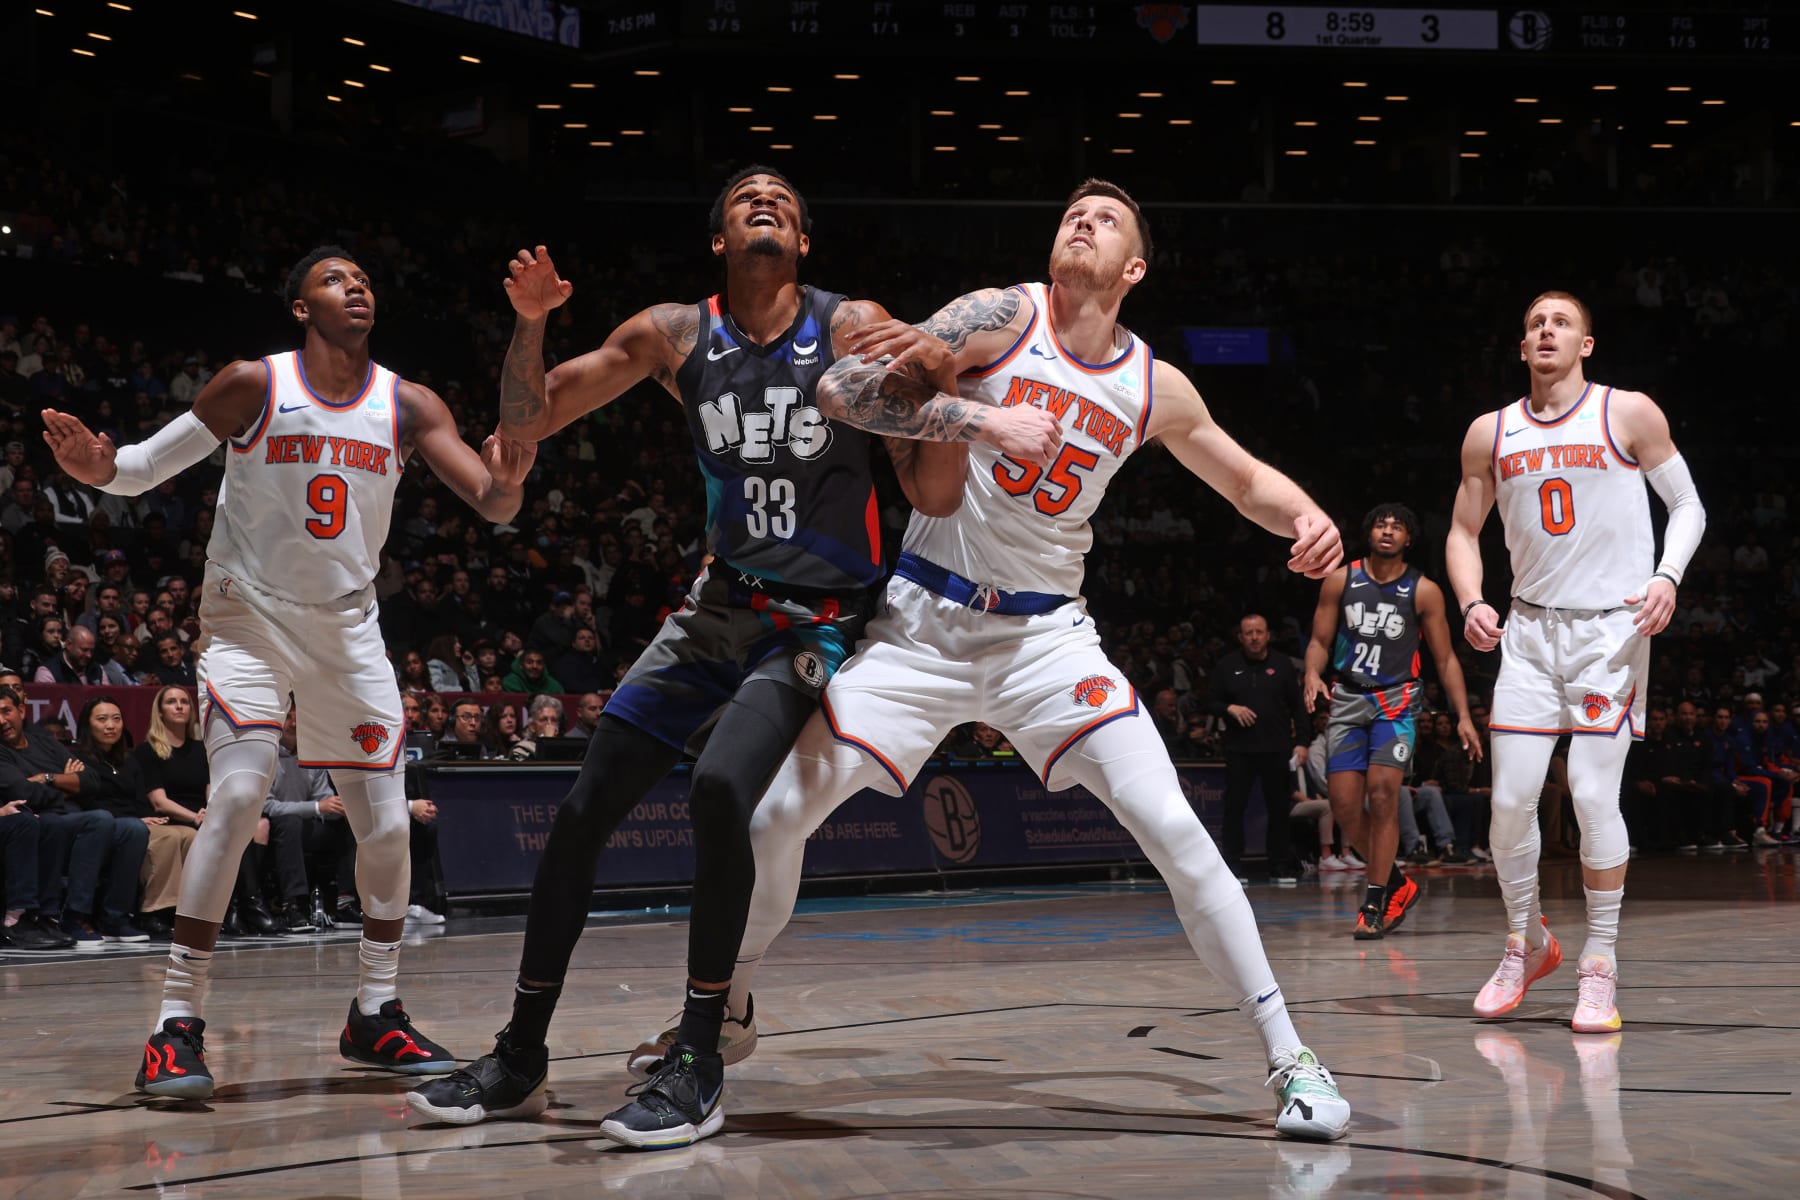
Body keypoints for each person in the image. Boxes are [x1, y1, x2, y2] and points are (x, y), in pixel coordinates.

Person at [610, 179, 1352, 1142]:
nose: (1082, 221)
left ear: (1134, 267)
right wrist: (981, 420)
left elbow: (1243, 479)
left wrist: (1307, 516)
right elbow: (846, 391)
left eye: (1107, 220)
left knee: (1175, 829)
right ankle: (731, 1012)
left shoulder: (1154, 386)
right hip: (923, 624)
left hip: (1047, 641)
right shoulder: (1000, 316)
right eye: (1073, 213)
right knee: (775, 816)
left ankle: (1290, 1056)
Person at [406, 166, 1056, 1140]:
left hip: (814, 620)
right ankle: (520, 1055)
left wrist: (946, 387)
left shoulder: (851, 327)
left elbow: (931, 495)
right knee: (581, 813)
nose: (767, 202)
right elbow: (528, 420)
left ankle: (700, 1059)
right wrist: (532, 322)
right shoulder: (673, 335)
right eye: (749, 198)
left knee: (720, 788)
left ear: (804, 244)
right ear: (718, 239)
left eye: (786, 202)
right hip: (715, 608)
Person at [43, 244, 535, 1099]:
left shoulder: (408, 403)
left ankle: (375, 1011)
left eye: (364, 280)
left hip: (347, 627)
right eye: (335, 280)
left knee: (387, 828)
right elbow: (142, 467)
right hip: (250, 616)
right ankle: (175, 1024)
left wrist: (511, 480)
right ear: (301, 307)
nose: (357, 288)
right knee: (238, 796)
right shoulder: (254, 384)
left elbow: (492, 501)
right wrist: (98, 468)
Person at [1446, 290, 1705, 1033]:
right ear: (1522, 346)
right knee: (1507, 805)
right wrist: (1471, 600)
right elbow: (1463, 532)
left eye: (1561, 322)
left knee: (1592, 797)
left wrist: (1667, 576)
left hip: (1610, 633)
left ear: (1585, 344)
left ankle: (1601, 962)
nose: (1546, 331)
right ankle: (1526, 942)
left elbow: (1688, 505)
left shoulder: (1627, 413)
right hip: (1529, 633)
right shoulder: (1490, 432)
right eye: (1535, 323)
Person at [1302, 502, 1480, 939]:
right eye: (1380, 525)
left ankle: (1375, 901)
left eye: (1396, 527)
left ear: (1408, 538)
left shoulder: (1424, 590)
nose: (1387, 531)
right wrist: (1311, 673)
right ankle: (1398, 882)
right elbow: (1320, 640)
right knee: (1344, 805)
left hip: (1396, 702)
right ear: (1369, 534)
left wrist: (1462, 715)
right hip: (1348, 698)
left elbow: (1445, 658)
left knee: (1383, 796)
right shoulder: (1340, 579)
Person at [0, 684, 150, 946]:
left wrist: (47, 778)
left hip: (68, 816)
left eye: (6, 711)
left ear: (21, 710)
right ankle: (74, 915)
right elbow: (25, 793)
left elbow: (91, 780)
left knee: (133, 829)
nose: (2, 720)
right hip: (42, 820)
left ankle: (114, 916)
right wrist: (67, 786)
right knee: (99, 819)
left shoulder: (43, 741)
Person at [72, 695, 193, 940]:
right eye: (102, 719)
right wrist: (137, 820)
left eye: (116, 719)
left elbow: (140, 799)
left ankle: (188, 910)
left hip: (137, 820)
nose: (111, 725)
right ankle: (154, 911)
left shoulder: (128, 759)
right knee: (168, 838)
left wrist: (146, 816)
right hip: (107, 824)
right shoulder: (79, 761)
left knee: (189, 835)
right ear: (88, 725)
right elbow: (86, 801)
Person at [1210, 614, 1311, 883]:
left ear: (1267, 635)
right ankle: (1232, 866)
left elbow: (1298, 706)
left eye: (1259, 632)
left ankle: (1279, 866)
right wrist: (1229, 708)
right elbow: (1210, 701)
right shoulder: (1227, 665)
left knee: (1278, 808)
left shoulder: (1282, 664)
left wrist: (1302, 741)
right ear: (1241, 637)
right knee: (1235, 808)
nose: (1254, 637)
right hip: (1239, 749)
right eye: (1249, 633)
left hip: (1276, 747)